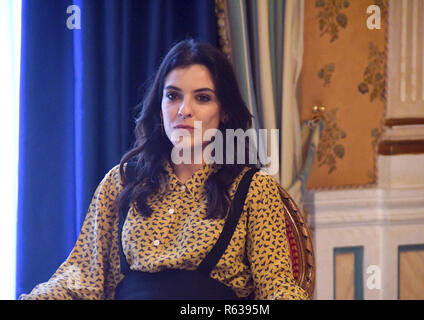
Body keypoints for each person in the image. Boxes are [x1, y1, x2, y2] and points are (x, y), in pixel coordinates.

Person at [19, 39, 309, 300]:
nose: (184, 110)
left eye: (202, 97)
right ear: (159, 108)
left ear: (225, 112)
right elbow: (81, 278)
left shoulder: (254, 189)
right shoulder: (119, 183)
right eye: (173, 96)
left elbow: (277, 288)